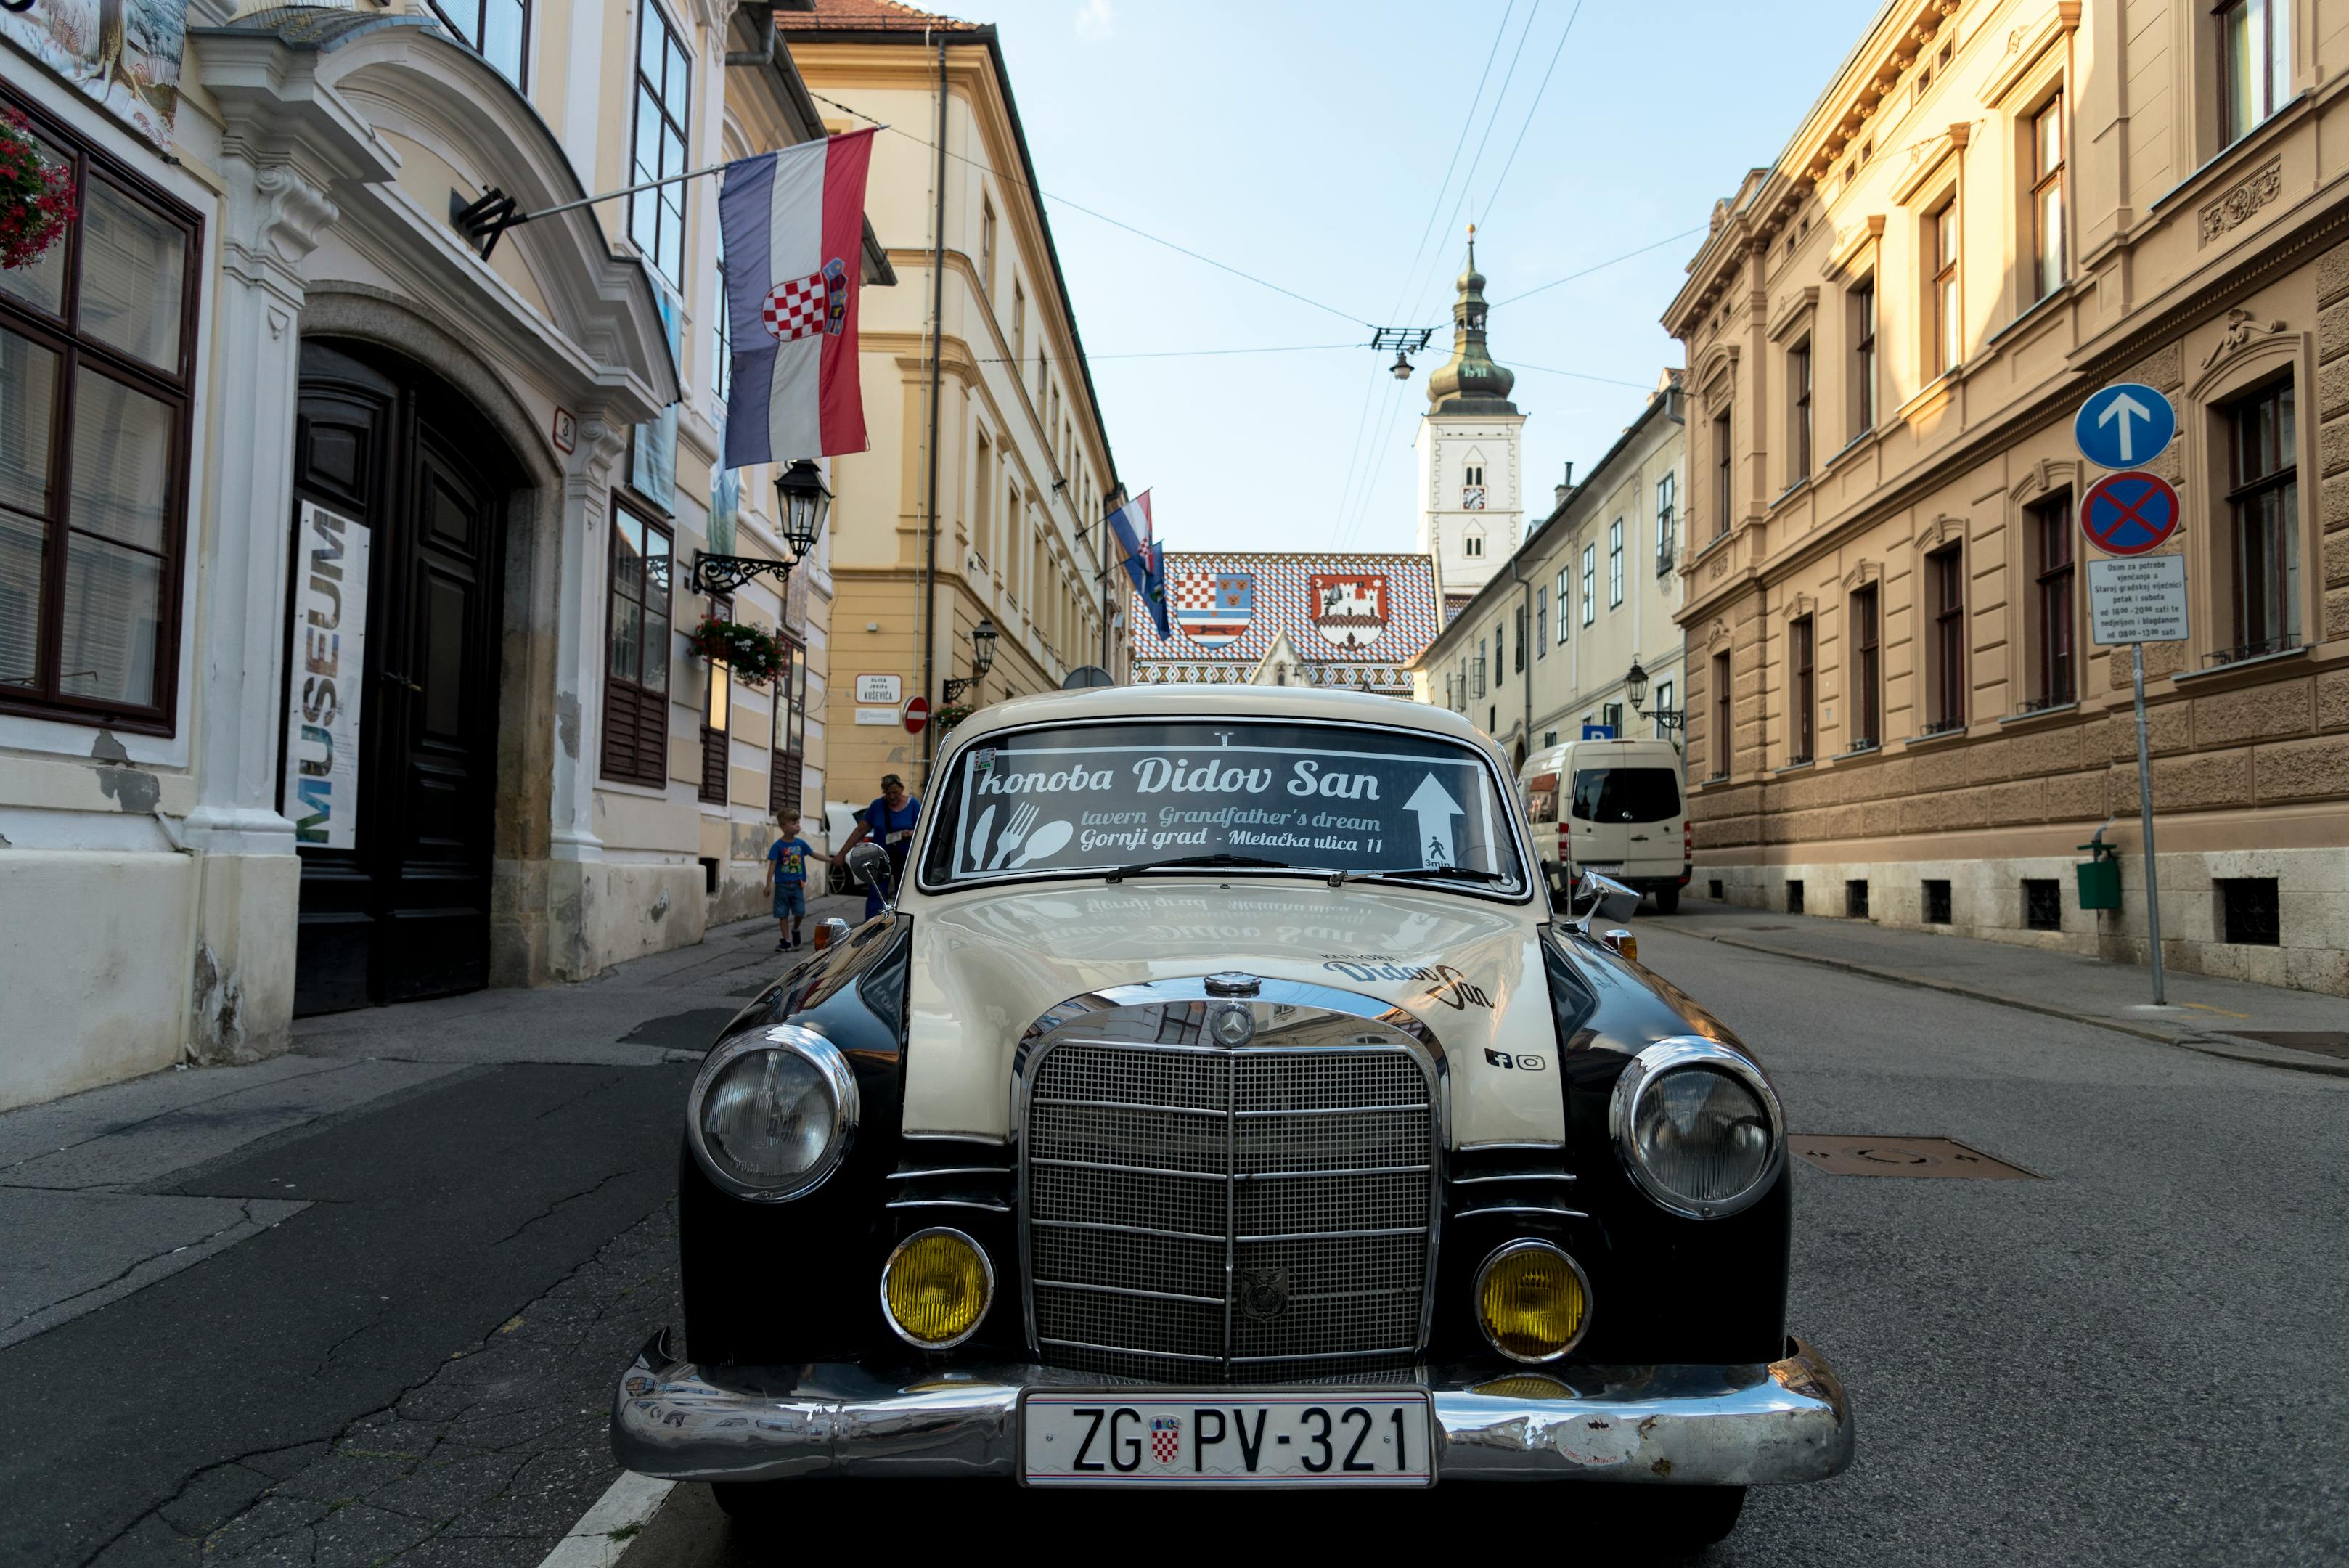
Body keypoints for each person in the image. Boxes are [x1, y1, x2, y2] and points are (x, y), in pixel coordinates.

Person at [839, 772, 920, 920]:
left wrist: (911, 833)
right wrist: (842, 853)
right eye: (888, 793)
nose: (892, 797)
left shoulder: (913, 804)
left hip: (906, 859)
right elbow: (860, 831)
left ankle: (902, 924)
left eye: (895, 793)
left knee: (904, 896)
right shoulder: (877, 806)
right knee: (876, 894)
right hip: (880, 859)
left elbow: (924, 828)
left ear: (901, 789)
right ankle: (874, 925)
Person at [764, 813, 814, 952]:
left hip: (798, 885)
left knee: (800, 911)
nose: (798, 825)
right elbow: (773, 865)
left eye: (798, 822)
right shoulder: (777, 846)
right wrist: (768, 885)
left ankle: (796, 929)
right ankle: (786, 941)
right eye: (794, 823)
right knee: (782, 913)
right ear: (783, 827)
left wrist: (831, 860)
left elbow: (813, 854)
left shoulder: (800, 844)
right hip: (782, 886)